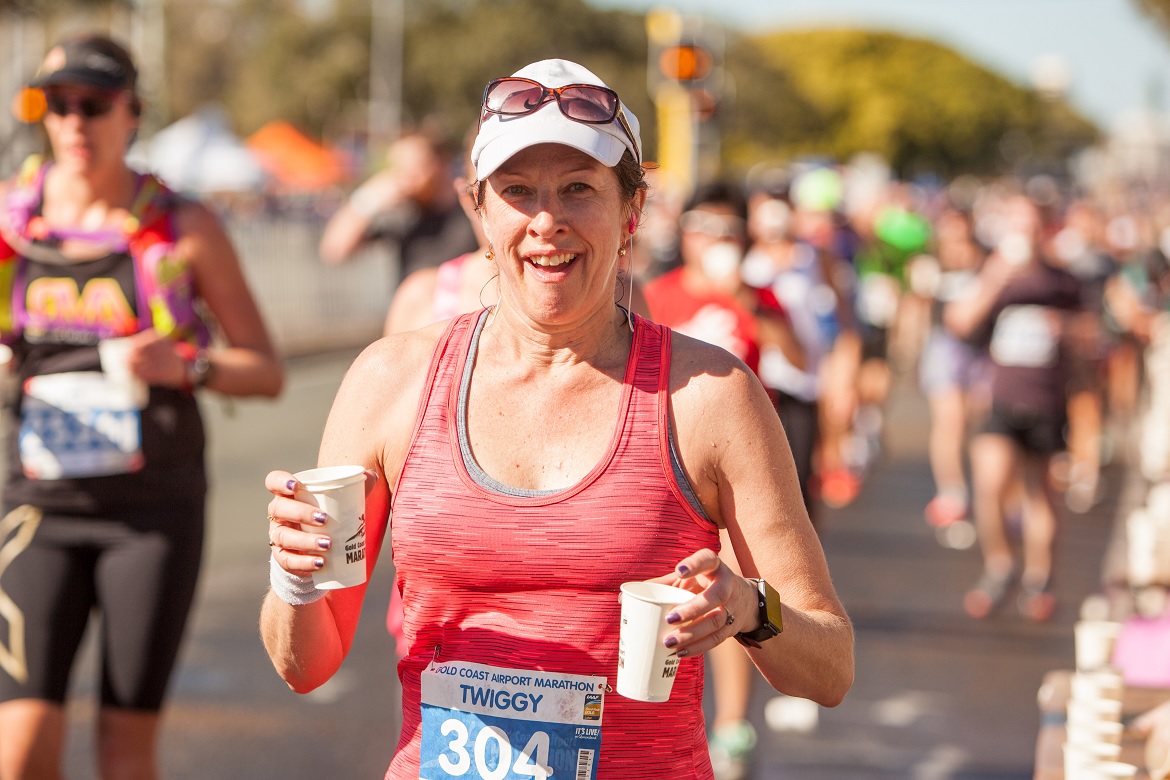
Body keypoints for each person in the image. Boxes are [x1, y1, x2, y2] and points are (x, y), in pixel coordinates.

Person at [261, 58, 853, 779]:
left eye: (579, 189)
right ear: (479, 212)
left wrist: (746, 609)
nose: (547, 222)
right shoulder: (391, 380)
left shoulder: (711, 393)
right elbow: (306, 664)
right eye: (517, 192)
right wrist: (294, 578)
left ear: (631, 213)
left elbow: (829, 668)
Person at [0, 33, 284, 780]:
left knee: (125, 754)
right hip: (36, 507)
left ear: (133, 113)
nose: (73, 123)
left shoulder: (184, 228)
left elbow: (266, 370)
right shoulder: (11, 223)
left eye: (93, 105)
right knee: (19, 750)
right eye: (54, 105)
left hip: (150, 516)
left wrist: (184, 364)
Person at [643, 179, 806, 780]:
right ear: (683, 234)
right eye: (703, 229)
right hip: (663, 468)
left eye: (728, 232)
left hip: (740, 473)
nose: (714, 243)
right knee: (669, 599)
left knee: (740, 595)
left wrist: (751, 304)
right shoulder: (654, 294)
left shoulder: (759, 296)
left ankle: (733, 726)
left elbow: (801, 356)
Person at [945, 192, 1083, 622]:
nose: (1020, 231)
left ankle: (1040, 579)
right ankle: (999, 565)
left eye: (1028, 223)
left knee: (1041, 493)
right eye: (1013, 222)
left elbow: (1093, 331)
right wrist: (994, 278)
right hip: (1000, 397)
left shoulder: (1062, 281)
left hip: (1046, 399)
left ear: (1044, 229)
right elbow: (960, 322)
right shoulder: (994, 274)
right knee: (990, 483)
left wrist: (1067, 327)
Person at [319, 129, 479, 282]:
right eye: (399, 166)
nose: (406, 175)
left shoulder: (472, 208)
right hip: (414, 307)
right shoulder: (403, 214)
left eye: (414, 165)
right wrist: (368, 198)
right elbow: (335, 250)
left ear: (442, 163)